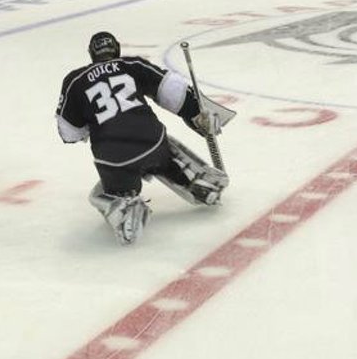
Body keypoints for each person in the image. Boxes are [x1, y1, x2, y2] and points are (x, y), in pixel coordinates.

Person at [56, 32, 231, 245]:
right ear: (117, 49)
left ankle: (121, 205)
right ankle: (195, 181)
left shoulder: (74, 81)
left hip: (114, 158)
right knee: (163, 147)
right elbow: (173, 92)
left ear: (91, 54)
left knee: (98, 193)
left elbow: (70, 132)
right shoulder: (132, 65)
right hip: (151, 142)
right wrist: (197, 113)